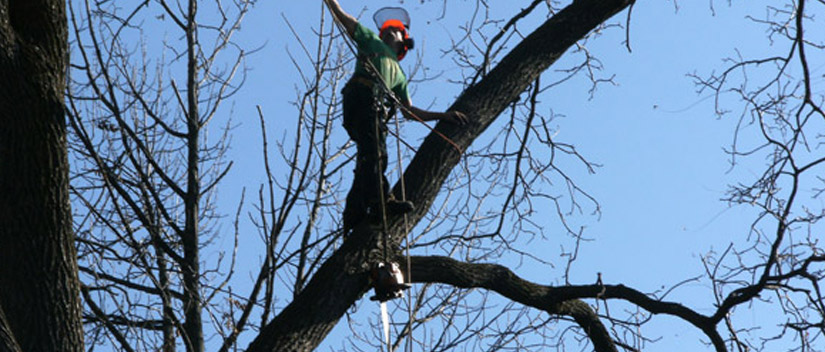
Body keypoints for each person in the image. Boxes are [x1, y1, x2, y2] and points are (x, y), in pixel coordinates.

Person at [323, 0, 468, 236]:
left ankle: (354, 213)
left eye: (395, 29)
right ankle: (381, 202)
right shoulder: (370, 41)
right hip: (361, 98)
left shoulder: (399, 76)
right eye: (387, 29)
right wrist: (333, 4)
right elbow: (347, 21)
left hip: (373, 109)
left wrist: (443, 116)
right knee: (376, 153)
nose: (389, 31)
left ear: (404, 41)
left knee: (368, 157)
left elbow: (409, 111)